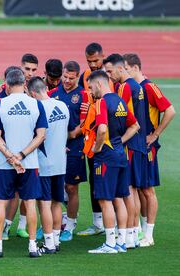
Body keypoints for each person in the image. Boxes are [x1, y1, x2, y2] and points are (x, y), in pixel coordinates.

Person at [0, 69, 48, 258]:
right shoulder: (36, 105)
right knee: (30, 204)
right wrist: (21, 155)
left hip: (5, 163)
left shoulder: (0, 105)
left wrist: (10, 156)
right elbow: (41, 135)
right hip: (29, 163)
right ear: (24, 83)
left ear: (6, 83)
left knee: (2, 203)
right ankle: (31, 246)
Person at [123, 53, 176, 247]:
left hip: (147, 147)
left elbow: (170, 111)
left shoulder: (149, 87)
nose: (124, 73)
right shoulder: (132, 88)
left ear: (135, 68)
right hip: (136, 145)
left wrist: (155, 135)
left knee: (147, 189)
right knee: (136, 187)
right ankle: (139, 231)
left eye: (126, 69)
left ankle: (149, 234)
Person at [86, 70, 140, 254]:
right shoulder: (120, 102)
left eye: (91, 88)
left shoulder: (102, 102)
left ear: (99, 84)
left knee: (105, 200)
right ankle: (122, 242)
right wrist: (120, 142)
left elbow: (101, 129)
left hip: (106, 158)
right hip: (120, 155)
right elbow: (135, 126)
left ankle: (109, 244)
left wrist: (97, 148)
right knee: (119, 198)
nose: (91, 92)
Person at [104, 53, 148, 248]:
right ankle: (134, 233)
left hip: (129, 144)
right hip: (138, 144)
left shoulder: (124, 88)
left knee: (128, 191)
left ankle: (129, 236)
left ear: (121, 68)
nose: (109, 75)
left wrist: (118, 141)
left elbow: (124, 119)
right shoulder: (137, 86)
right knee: (134, 191)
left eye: (110, 71)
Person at [28, 76, 69, 253]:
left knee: (44, 204)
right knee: (56, 203)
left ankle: (49, 243)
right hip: (61, 162)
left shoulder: (37, 108)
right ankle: (56, 241)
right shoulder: (63, 106)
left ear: (32, 93)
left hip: (44, 163)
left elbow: (36, 136)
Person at [49, 61, 88, 242]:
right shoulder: (52, 94)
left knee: (71, 187)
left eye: (71, 78)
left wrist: (71, 135)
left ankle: (70, 226)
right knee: (51, 186)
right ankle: (48, 224)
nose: (66, 81)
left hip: (75, 146)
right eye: (65, 77)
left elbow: (86, 121)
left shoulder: (83, 95)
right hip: (53, 147)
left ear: (77, 77)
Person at [77, 42, 113, 237]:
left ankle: (124, 227)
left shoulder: (110, 75)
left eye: (95, 60)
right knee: (94, 178)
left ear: (102, 56)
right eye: (89, 61)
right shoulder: (84, 76)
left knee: (114, 181)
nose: (92, 64)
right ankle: (98, 222)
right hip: (92, 136)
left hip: (109, 134)